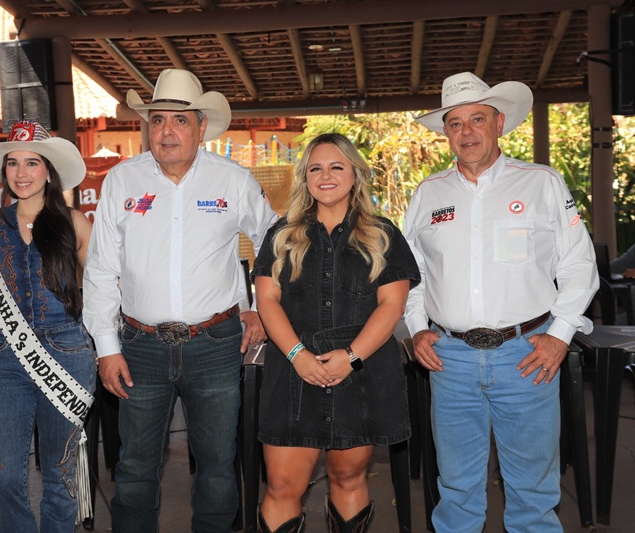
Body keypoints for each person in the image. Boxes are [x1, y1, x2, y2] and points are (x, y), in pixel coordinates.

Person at [83, 68, 278, 532]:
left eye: (180, 120)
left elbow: (276, 245)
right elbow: (101, 268)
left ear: (201, 127)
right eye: (157, 120)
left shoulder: (233, 180)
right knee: (134, 469)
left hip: (216, 344)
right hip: (139, 348)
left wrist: (260, 308)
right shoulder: (122, 180)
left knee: (217, 466)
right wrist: (107, 348)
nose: (166, 131)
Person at [403, 72, 598, 532]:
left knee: (533, 492)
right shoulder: (429, 193)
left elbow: (579, 265)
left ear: (499, 124)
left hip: (527, 355)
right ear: (446, 132)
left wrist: (559, 335)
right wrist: (417, 329)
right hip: (449, 360)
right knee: (456, 489)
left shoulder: (541, 183)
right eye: (455, 122)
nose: (466, 131)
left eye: (477, 119)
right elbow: (411, 274)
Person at [252, 133, 420, 533]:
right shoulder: (281, 234)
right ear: (305, 178)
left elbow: (391, 306)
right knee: (282, 485)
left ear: (355, 174)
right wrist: (297, 355)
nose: (325, 176)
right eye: (315, 168)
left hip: (360, 374)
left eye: (336, 166)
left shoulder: (384, 235)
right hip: (292, 372)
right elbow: (267, 300)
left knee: (348, 478)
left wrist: (352, 357)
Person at [0, 120, 96, 532]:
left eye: (32, 163)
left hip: (67, 352)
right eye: (13, 163)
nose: (21, 173)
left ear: (49, 171)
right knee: (4, 475)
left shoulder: (74, 222)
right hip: (5, 357)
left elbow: (104, 286)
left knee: (60, 472)